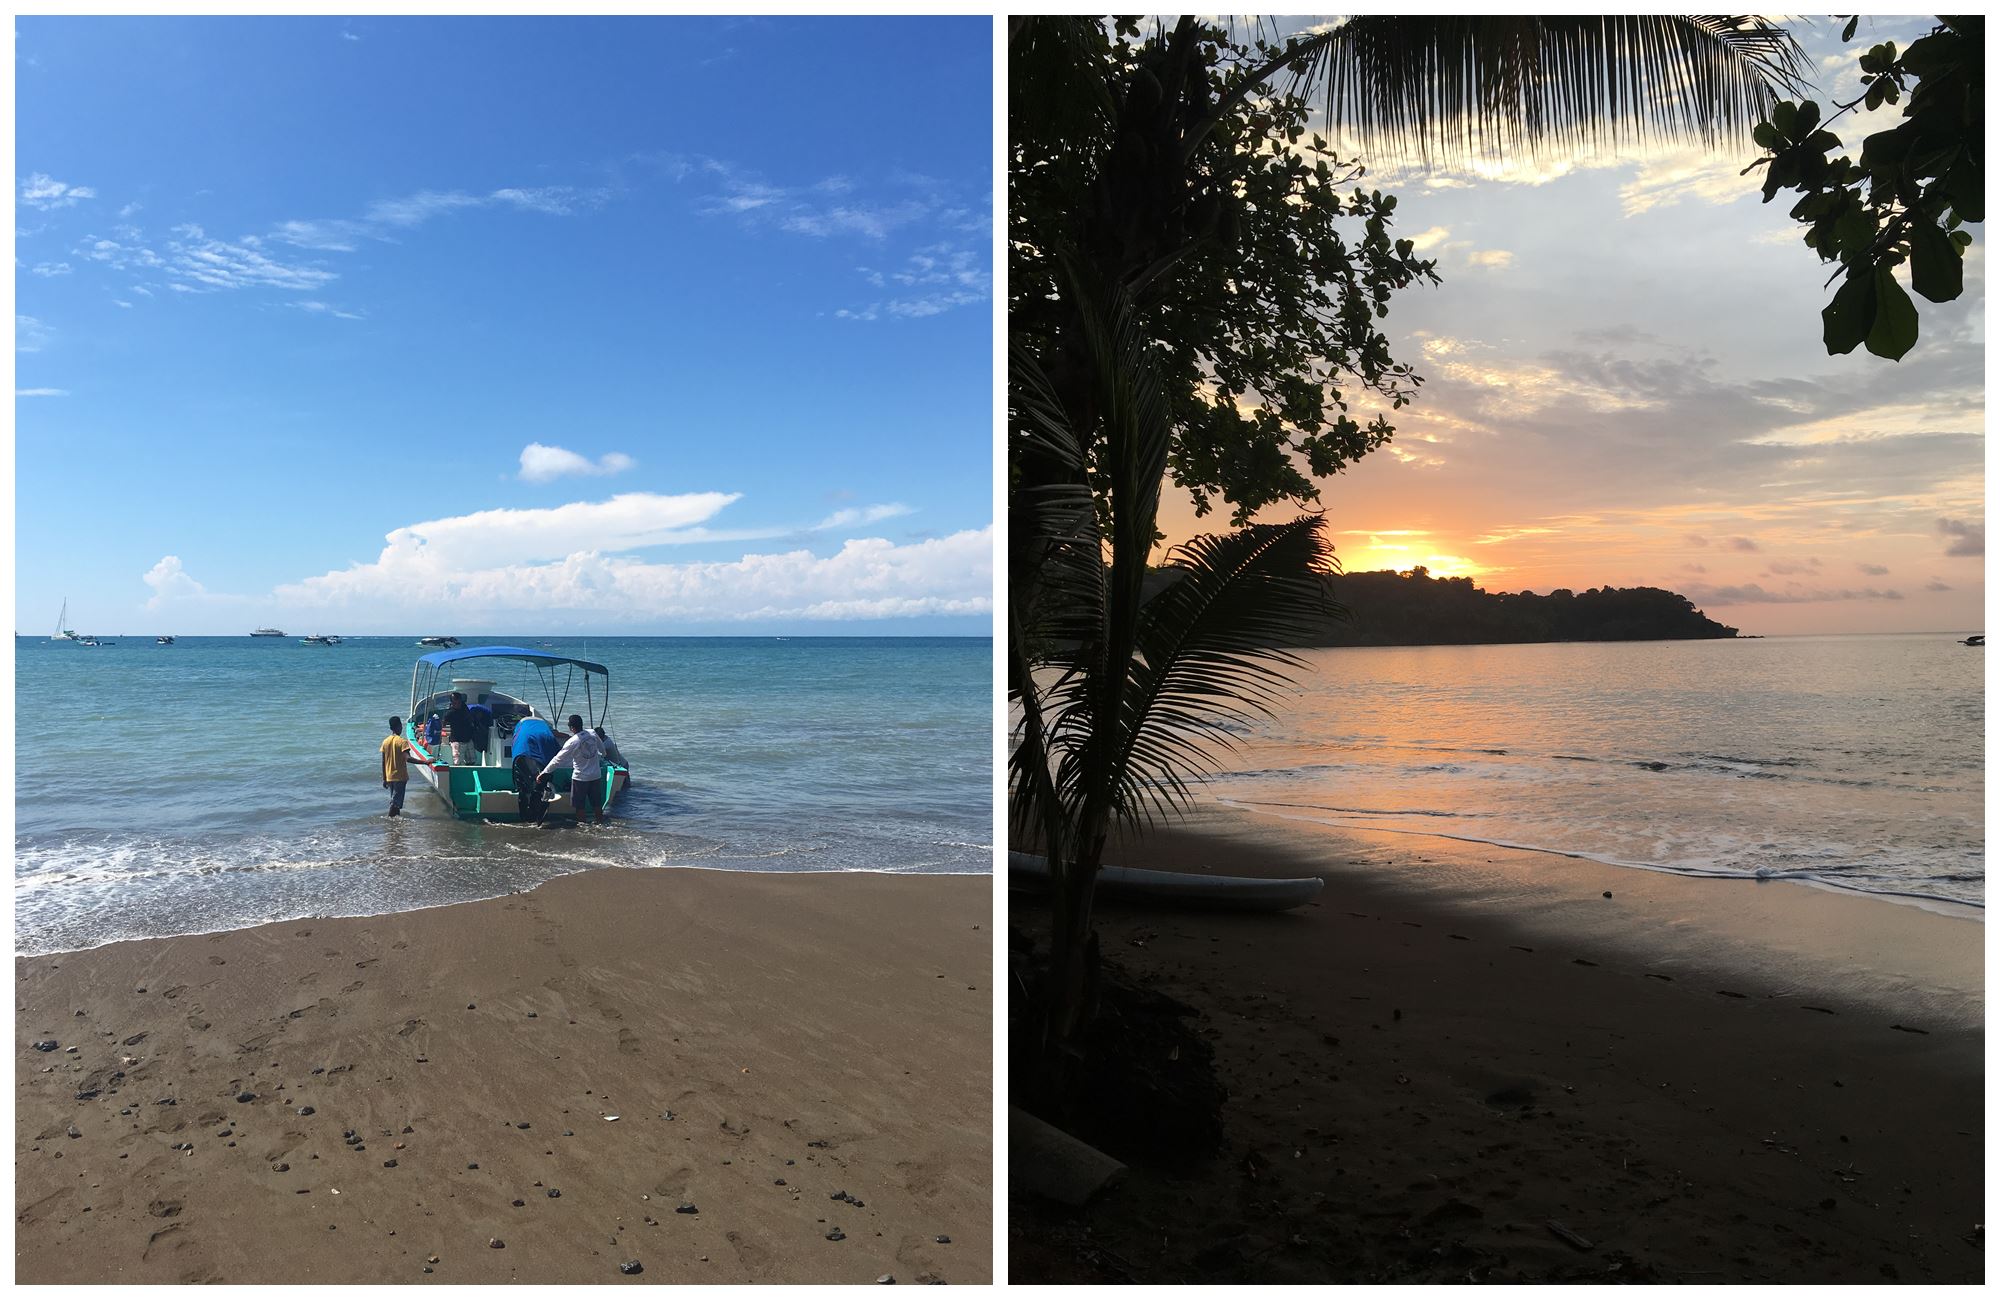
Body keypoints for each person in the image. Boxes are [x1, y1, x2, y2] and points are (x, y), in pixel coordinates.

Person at [537, 713, 607, 826]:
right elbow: (603, 750)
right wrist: (602, 754)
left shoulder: (572, 742)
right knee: (596, 804)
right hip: (595, 776)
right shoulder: (592, 733)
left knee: (579, 806)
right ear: (581, 724)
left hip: (580, 778)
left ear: (571, 728)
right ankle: (600, 823)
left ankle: (584, 828)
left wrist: (544, 772)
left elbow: (557, 760)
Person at [509, 716, 560, 824]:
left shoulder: (521, 726)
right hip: (546, 747)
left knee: (523, 787)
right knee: (541, 786)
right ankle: (537, 817)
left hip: (524, 749)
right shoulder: (545, 727)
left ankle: (525, 818)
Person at [380, 716, 414, 817]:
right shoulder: (402, 742)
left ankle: (396, 826)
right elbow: (408, 758)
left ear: (391, 728)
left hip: (390, 777)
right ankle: (389, 823)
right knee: (395, 804)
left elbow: (383, 761)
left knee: (396, 803)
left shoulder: (385, 741)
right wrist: (426, 762)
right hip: (400, 777)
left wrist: (384, 778)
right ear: (400, 726)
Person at [441, 692, 476, 766]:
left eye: (459, 701)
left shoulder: (464, 707)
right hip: (456, 740)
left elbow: (471, 719)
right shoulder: (450, 713)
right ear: (452, 702)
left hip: (468, 738)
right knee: (458, 762)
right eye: (455, 702)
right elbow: (443, 724)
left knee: (472, 760)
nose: (457, 703)